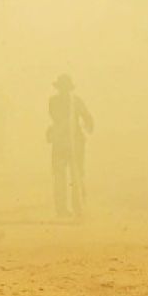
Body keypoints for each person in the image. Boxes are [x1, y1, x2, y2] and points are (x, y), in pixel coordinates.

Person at [47, 74, 93, 218]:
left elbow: (88, 118)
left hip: (65, 143)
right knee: (72, 176)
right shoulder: (74, 101)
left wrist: (88, 125)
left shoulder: (55, 101)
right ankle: (72, 208)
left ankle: (72, 208)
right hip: (69, 143)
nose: (64, 91)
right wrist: (88, 126)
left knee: (72, 176)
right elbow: (88, 118)